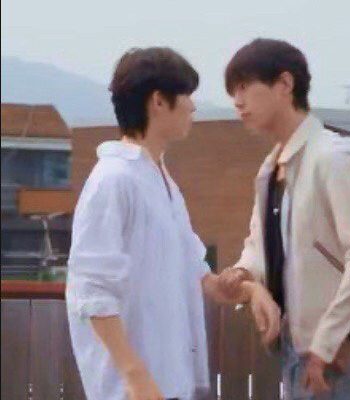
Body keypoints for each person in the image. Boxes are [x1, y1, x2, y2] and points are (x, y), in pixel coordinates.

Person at [66, 47, 281, 400]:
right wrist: (134, 376)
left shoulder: (160, 179)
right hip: (131, 390)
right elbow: (91, 291)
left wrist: (252, 291)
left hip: (170, 382)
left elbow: (202, 278)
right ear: (158, 102)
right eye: (186, 95)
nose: (193, 107)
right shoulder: (113, 179)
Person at [217, 38, 350, 399]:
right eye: (233, 91)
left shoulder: (333, 157)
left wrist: (330, 340)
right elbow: (259, 245)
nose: (237, 101)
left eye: (245, 86)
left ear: (285, 84)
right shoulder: (271, 168)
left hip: (340, 347)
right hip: (297, 345)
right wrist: (243, 273)